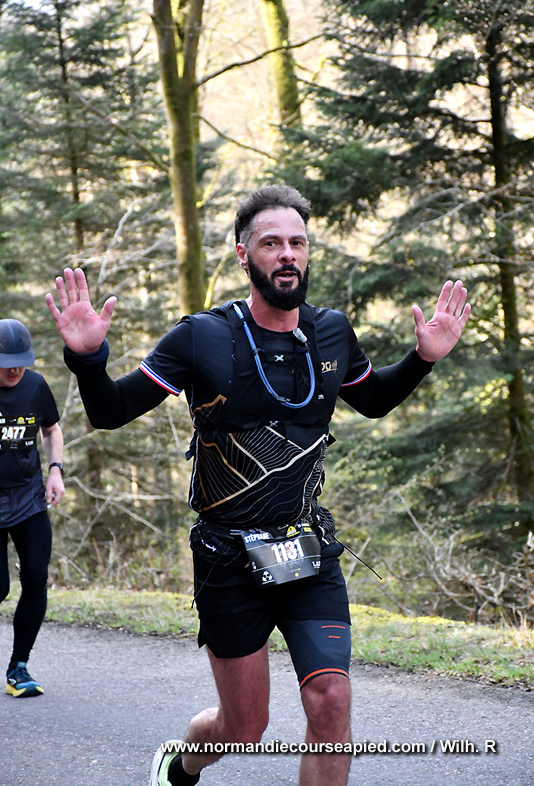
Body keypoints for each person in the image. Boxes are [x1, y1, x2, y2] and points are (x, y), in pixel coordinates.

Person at [46, 184, 470, 786]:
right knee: (244, 727)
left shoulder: (332, 332)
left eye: (298, 242)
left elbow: (373, 399)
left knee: (331, 702)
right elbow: (112, 411)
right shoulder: (202, 337)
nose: (287, 253)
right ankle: (182, 762)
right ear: (244, 255)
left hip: (305, 546)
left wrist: (422, 359)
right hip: (227, 555)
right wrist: (89, 360)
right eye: (271, 243)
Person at [0, 318, 65, 697]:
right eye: (6, 363)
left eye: (21, 362)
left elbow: (50, 430)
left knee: (36, 578)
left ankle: (18, 667)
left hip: (28, 498)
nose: (14, 370)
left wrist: (55, 470)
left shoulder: (35, 385)